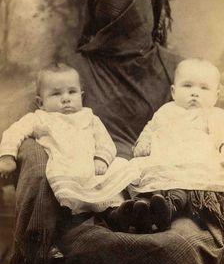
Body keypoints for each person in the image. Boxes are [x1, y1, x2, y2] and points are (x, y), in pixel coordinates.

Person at [7, 0, 224, 264]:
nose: (123, 26)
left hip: (168, 170)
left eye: (131, 15)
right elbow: (33, 120)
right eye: (113, 16)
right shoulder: (73, 73)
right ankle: (126, 216)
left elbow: (223, 109)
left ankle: (156, 213)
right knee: (94, 242)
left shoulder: (176, 67)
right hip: (97, 177)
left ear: (148, 9)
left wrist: (223, 141)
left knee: (180, 247)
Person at [0, 63, 135, 216]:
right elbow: (14, 132)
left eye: (72, 92)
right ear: (41, 103)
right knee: (64, 187)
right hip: (64, 167)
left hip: (93, 167)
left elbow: (106, 142)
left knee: (122, 167)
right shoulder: (39, 117)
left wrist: (101, 159)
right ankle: (80, 215)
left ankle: (121, 213)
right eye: (56, 94)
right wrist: (7, 156)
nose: (66, 99)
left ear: (81, 96)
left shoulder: (90, 117)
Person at [127, 58, 224, 233]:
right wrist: (143, 143)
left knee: (184, 187)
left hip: (194, 162)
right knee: (138, 172)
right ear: (173, 91)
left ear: (216, 96)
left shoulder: (214, 114)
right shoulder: (166, 111)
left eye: (203, 88)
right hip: (163, 161)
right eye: (187, 86)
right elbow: (150, 129)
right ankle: (142, 208)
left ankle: (168, 209)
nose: (195, 93)